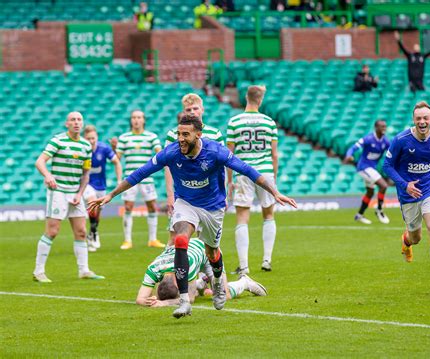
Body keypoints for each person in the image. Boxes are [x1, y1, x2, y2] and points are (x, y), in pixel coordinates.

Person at [89, 115, 297, 318]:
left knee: (212, 253)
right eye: (179, 133)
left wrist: (275, 192)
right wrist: (111, 195)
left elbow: (248, 170)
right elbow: (140, 173)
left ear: (198, 134)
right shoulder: (170, 152)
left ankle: (217, 282)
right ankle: (184, 301)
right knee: (180, 239)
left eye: (185, 134)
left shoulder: (215, 151)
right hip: (185, 203)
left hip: (212, 208)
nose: (180, 138)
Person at [382, 101, 430, 292]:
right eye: (418, 118)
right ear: (413, 120)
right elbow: (387, 166)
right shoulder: (401, 140)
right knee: (416, 238)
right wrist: (405, 185)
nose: (422, 121)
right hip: (408, 195)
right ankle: (406, 241)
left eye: (425, 118)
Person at [33, 112, 104, 283]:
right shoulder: (58, 140)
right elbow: (40, 161)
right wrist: (48, 175)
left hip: (75, 193)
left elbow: (86, 174)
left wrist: (80, 194)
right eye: (73, 120)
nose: (76, 122)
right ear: (67, 124)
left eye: (79, 119)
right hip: (58, 191)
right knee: (52, 231)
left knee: (81, 231)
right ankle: (38, 271)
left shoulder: (86, 146)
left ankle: (84, 270)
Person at [226, 85, 279, 274]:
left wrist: (229, 181)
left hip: (243, 172)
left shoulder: (234, 122)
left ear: (246, 98)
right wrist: (274, 177)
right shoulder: (269, 122)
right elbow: (274, 154)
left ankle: (244, 266)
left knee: (242, 218)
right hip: (265, 173)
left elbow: (229, 155)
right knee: (269, 214)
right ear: (260, 100)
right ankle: (267, 259)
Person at [136, 238, 267, 308]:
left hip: (206, 252)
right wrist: (152, 300)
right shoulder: (153, 268)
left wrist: (164, 303)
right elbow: (139, 299)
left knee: (223, 295)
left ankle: (244, 282)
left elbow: (190, 298)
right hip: (187, 253)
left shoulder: (186, 265)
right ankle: (202, 282)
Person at [164, 94, 224, 244]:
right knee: (176, 235)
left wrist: (224, 195)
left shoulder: (215, 134)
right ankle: (170, 266)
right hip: (184, 195)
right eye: (188, 109)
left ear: (202, 109)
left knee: (206, 240)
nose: (192, 112)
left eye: (195, 108)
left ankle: (208, 267)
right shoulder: (174, 134)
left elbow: (222, 167)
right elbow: (167, 166)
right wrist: (170, 196)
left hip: (209, 196)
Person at [116, 110, 165, 250]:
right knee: (128, 207)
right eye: (134, 117)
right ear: (131, 120)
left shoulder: (152, 137)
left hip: (147, 178)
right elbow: (117, 159)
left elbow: (159, 154)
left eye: (139, 117)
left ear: (143, 120)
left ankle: (153, 239)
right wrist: (114, 149)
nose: (136, 120)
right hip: (129, 178)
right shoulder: (124, 138)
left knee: (151, 206)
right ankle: (127, 240)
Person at [82, 125, 122, 252]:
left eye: (93, 138)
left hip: (101, 185)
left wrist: (119, 180)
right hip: (87, 184)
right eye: (88, 138)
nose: (91, 141)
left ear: (97, 137)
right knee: (92, 202)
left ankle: (93, 231)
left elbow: (116, 162)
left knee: (97, 213)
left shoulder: (104, 148)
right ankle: (93, 235)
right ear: (85, 138)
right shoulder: (82, 150)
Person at [343, 120, 391, 224]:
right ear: (376, 127)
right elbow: (353, 147)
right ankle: (379, 210)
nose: (384, 128)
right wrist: (348, 155)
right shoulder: (368, 139)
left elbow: (392, 152)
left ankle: (359, 215)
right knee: (383, 186)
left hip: (371, 169)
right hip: (364, 167)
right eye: (382, 126)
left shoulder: (385, 141)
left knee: (370, 192)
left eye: (385, 126)